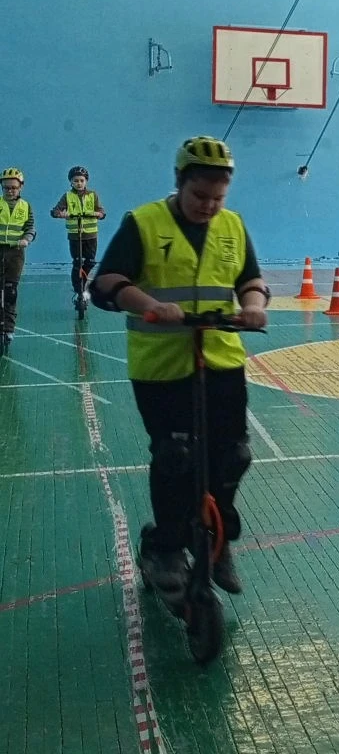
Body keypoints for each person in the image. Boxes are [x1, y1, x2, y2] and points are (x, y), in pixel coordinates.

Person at [91, 136, 270, 603]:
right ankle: (165, 547)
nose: (209, 206)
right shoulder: (143, 223)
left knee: (233, 455)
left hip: (221, 359)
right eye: (199, 195)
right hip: (162, 367)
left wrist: (253, 305)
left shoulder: (233, 225)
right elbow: (106, 283)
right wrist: (149, 304)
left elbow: (250, 279)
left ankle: (216, 540)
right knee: (176, 456)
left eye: (217, 198)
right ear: (179, 182)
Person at [50, 166, 106, 300]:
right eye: (75, 181)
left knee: (90, 261)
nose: (79, 183)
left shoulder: (93, 195)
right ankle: (78, 290)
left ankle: (84, 285)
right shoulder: (67, 196)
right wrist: (61, 214)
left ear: (86, 181)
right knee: (77, 262)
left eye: (81, 180)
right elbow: (55, 211)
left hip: (91, 235)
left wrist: (98, 214)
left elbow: (102, 212)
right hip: (75, 236)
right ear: (71, 182)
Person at [0, 168, 36, 347]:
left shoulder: (25, 206)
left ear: (21, 187)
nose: (10, 191)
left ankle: (8, 328)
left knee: (10, 291)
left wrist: (26, 239)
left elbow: (30, 228)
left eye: (13, 188)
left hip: (15, 252)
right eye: (6, 188)